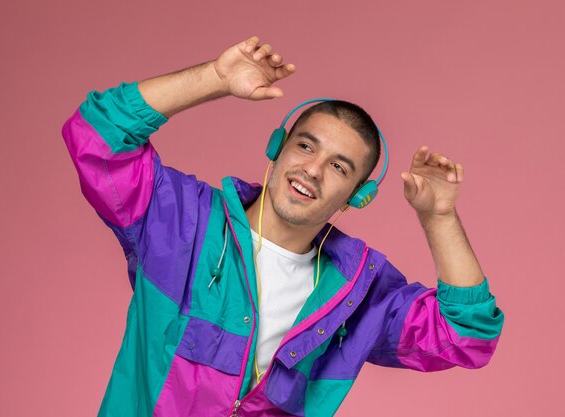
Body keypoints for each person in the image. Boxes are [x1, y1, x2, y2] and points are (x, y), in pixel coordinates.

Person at [61, 35, 504, 417]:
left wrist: (439, 217)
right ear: (278, 148)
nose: (312, 170)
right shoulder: (180, 221)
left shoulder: (359, 295)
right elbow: (97, 133)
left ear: (357, 195)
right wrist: (215, 77)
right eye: (306, 146)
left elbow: (467, 336)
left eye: (338, 167)